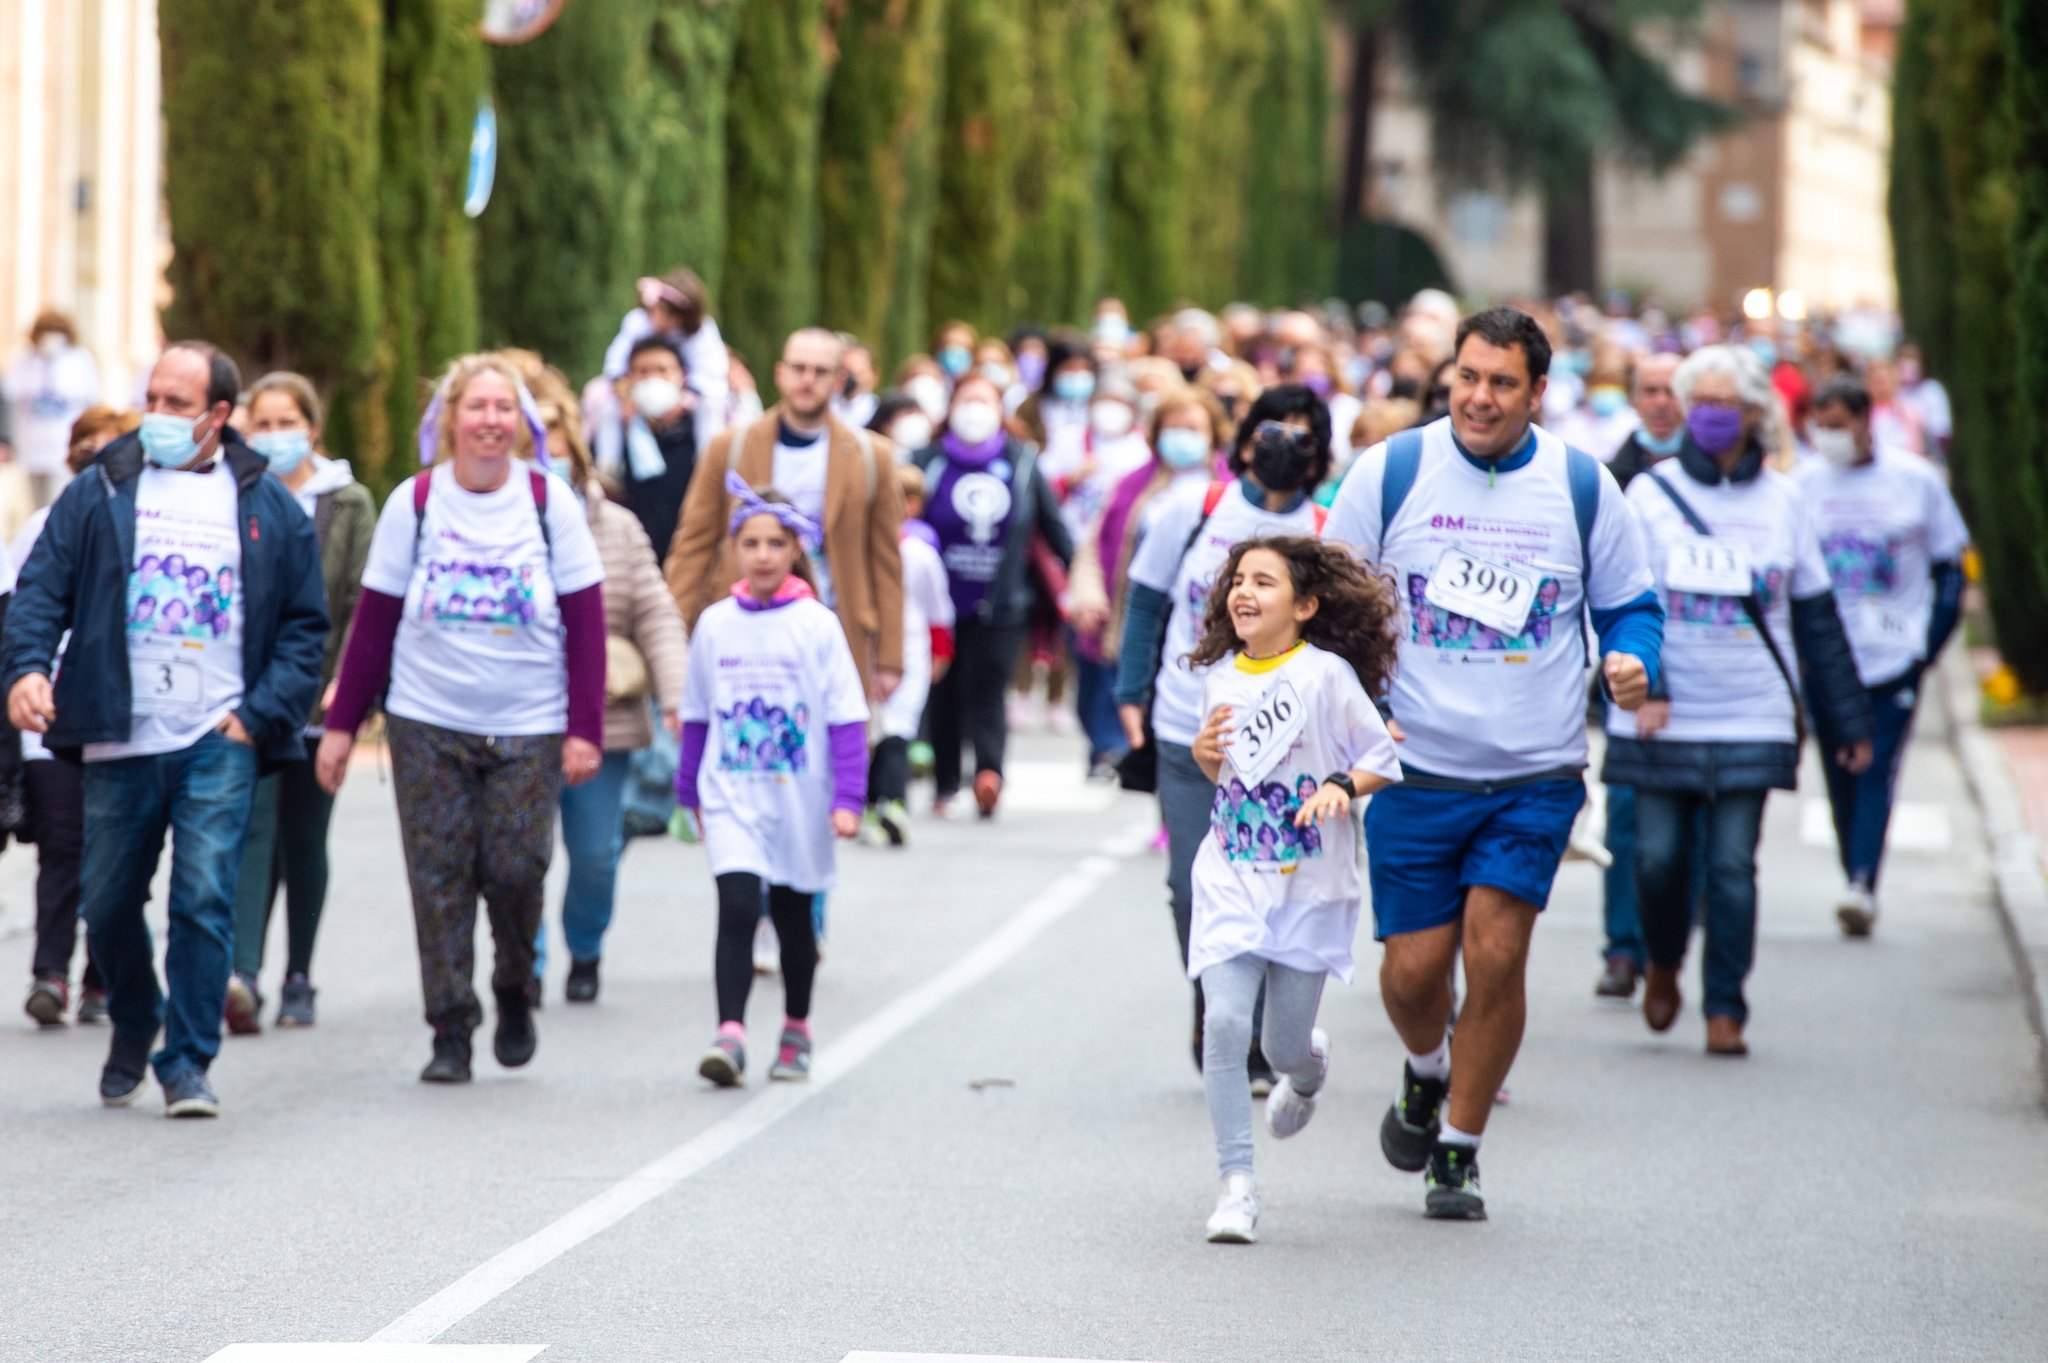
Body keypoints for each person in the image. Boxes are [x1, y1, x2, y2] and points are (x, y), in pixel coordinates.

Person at [1322, 307, 1664, 1219]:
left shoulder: (1583, 487)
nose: (1480, 397)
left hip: (1533, 772)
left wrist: (1635, 661)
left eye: (1502, 382)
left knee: (1499, 951)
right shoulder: (1391, 471)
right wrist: (1356, 715)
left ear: (1538, 392)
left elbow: (1633, 607)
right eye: (1467, 377)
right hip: (1413, 768)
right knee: (1412, 973)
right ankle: (1426, 1067)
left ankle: (1459, 1149)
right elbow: (1332, 605)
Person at [3, 342, 328, 1116]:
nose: (158, 416)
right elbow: (40, 590)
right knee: (108, 900)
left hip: (217, 735)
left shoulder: (266, 505)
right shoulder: (101, 489)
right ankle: (137, 1012)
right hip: (119, 732)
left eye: (177, 404)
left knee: (204, 895)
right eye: (152, 398)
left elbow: (302, 627)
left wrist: (257, 716)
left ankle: (187, 1059)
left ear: (218, 415)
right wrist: (25, 669)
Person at [316, 353, 608, 1084]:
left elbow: (587, 623)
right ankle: (450, 1024)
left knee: (516, 867)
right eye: (474, 407)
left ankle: (512, 981)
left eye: (503, 408)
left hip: (530, 723)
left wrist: (585, 727)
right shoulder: (414, 503)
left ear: (522, 422)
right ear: (449, 421)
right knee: (438, 876)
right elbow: (375, 625)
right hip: (427, 720)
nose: (489, 420)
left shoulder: (550, 503)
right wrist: (343, 726)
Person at [1604, 344, 1871, 1057]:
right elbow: (1628, 599)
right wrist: (1648, 684)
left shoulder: (1787, 499)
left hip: (1752, 710)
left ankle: (1726, 1003)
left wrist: (1848, 721)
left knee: (1731, 865)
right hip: (1664, 714)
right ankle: (1662, 961)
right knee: (1657, 859)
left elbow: (1815, 615)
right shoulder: (1651, 495)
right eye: (1704, 403)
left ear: (1755, 413)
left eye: (1728, 404)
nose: (1714, 416)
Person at [1181, 536, 1403, 1243]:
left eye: (1264, 582)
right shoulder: (1218, 677)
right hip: (1232, 876)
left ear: (1304, 604)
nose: (1243, 591)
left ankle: (1307, 1072)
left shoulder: (1326, 676)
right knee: (1222, 1024)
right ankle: (1236, 1186)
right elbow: (1226, 774)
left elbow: (1380, 755)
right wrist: (1201, 755)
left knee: (1281, 1047)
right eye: (1238, 580)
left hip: (1309, 886)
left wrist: (1341, 785)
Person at [1115, 385, 1335, 1085]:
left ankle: (1256, 1021)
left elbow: (1349, 634)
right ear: (1244, 441)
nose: (1282, 446)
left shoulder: (1328, 528)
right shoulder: (1195, 508)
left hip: (1286, 748)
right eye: (1272, 430)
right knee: (1191, 884)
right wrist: (1130, 690)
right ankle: (1212, 1000)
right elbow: (1147, 598)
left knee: (1272, 885)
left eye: (1301, 436)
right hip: (1188, 731)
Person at [677, 477, 868, 1086]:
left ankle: (796, 1026)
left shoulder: (816, 625)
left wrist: (848, 798)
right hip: (731, 792)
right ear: (735, 548)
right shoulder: (714, 624)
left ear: (794, 550)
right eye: (751, 543)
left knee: (791, 915)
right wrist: (688, 792)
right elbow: (698, 713)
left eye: (774, 544)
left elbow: (846, 716)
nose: (761, 555)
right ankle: (728, 1034)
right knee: (736, 905)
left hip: (799, 797)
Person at [224, 373, 376, 1032]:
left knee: (304, 835)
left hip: (319, 703)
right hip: (252, 703)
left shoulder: (346, 503)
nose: (275, 435)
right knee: (252, 828)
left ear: (312, 429)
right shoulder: (236, 494)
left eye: (288, 421)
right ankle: (243, 974)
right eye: (263, 422)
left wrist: (351, 688)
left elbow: (361, 604)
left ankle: (298, 976)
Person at [1795, 375, 1966, 937]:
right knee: (1838, 771)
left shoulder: (1915, 482)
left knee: (1875, 768)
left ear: (1868, 421)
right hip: (1828, 659)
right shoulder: (1804, 484)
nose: (1829, 437)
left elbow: (1950, 568)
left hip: (1892, 655)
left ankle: (1863, 882)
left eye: (1839, 426)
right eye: (1820, 426)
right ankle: (1855, 871)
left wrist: (1926, 650)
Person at [533, 391, 687, 1001]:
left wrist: (675, 694)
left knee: (596, 853)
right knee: (521, 857)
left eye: (553, 433)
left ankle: (586, 945)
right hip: (513, 718)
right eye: (529, 436)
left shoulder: (616, 527)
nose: (541, 448)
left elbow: (655, 611)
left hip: (603, 718)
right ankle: (529, 961)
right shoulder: (485, 524)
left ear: (575, 443)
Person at [666, 328, 904, 707]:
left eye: (820, 371)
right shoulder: (730, 447)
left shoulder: (873, 456)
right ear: (780, 373)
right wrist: (671, 640)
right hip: (745, 632)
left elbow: (887, 560)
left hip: (837, 629)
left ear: (839, 381)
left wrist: (890, 656)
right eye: (798, 368)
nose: (807, 380)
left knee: (836, 750)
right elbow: (693, 543)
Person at [16, 408, 134, 1026]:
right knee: (62, 848)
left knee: (119, 855)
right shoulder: (44, 523)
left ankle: (102, 979)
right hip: (52, 718)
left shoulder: (149, 522)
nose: (94, 452)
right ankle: (50, 973)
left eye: (108, 443)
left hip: (123, 719)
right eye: (84, 442)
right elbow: (19, 610)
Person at [914, 373, 1073, 817]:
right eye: (966, 399)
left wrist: (1079, 574)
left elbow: (1052, 524)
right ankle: (946, 783)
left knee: (987, 686)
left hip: (1002, 602)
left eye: (983, 401)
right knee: (942, 691)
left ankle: (989, 774)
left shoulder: (1021, 461)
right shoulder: (927, 460)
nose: (974, 409)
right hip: (938, 603)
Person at [1594, 349, 1688, 1000]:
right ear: (1633, 398)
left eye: (1672, 389)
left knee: (1691, 832)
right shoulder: (1610, 479)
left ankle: (1668, 943)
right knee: (1627, 817)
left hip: (1711, 671)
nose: (1661, 400)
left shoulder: (1726, 477)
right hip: (1631, 670)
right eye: (1649, 388)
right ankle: (1623, 948)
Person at [1068, 389, 1225, 775]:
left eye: (1192, 428)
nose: (1182, 436)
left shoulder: (1232, 488)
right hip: (1144, 609)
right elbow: (1094, 543)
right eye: (1173, 428)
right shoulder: (1132, 486)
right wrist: (1087, 596)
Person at [868, 462, 953, 845]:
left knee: (898, 729)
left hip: (910, 652)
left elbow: (937, 607)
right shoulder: (859, 549)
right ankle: (870, 805)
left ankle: (895, 804)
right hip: (867, 652)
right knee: (871, 729)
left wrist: (940, 651)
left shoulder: (919, 554)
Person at [608, 335, 698, 568]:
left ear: (682, 376)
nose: (653, 379)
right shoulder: (613, 437)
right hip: (633, 564)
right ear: (629, 378)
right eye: (643, 372)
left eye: (662, 370)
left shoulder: (700, 434)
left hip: (687, 564)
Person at [3, 310, 101, 509]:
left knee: (58, 498)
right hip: (32, 443)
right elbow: (11, 392)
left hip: (62, 442)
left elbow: (89, 396)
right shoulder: (26, 360)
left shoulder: (79, 359)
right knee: (35, 501)